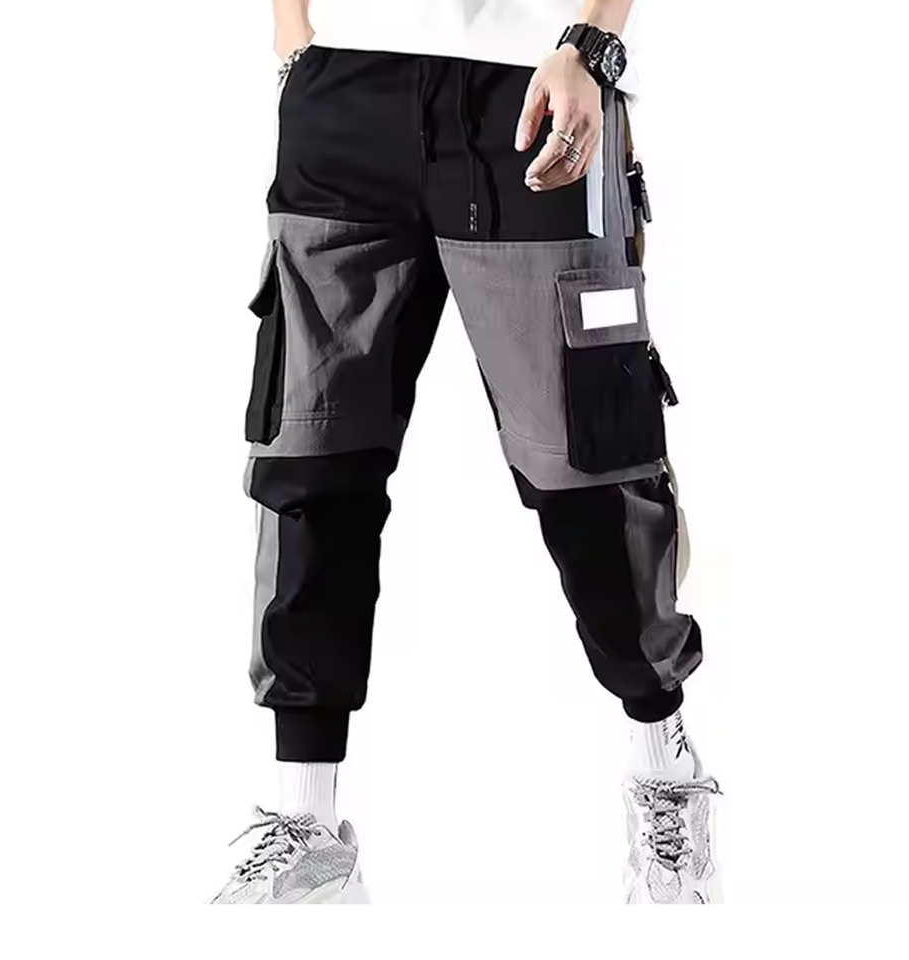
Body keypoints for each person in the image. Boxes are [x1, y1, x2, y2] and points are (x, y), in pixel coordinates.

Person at [210, 0, 722, 906]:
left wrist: (592, 43)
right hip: (343, 91)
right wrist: (293, 33)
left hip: (536, 93)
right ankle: (308, 831)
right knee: (310, 456)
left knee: (587, 467)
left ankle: (665, 767)